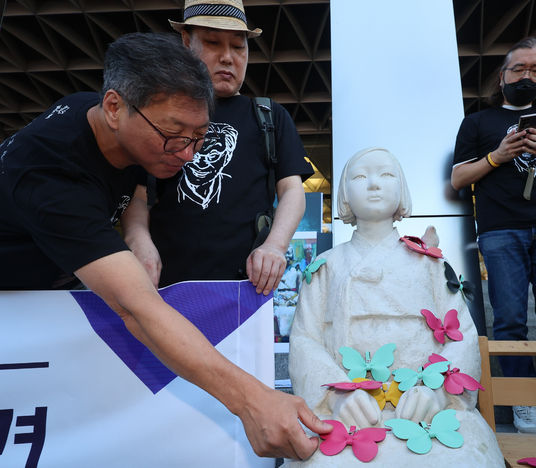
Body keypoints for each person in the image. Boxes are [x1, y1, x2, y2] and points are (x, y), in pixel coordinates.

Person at [0, 32, 329, 460]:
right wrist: (254, 402)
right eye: (174, 136)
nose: (190, 155)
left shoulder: (106, 119)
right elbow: (137, 309)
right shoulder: (51, 176)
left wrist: (137, 236)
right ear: (115, 107)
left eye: (200, 136)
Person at [287, 147, 504, 466]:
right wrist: (337, 396)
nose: (374, 184)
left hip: (429, 414)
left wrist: (437, 393)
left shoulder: (431, 265)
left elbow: (463, 336)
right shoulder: (325, 266)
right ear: (344, 193)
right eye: (360, 176)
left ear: (402, 188)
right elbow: (306, 340)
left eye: (386, 175)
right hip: (349, 416)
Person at [122, 0, 314, 295]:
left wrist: (275, 246)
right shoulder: (157, 112)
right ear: (187, 42)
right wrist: (139, 242)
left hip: (246, 290)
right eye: (212, 43)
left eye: (239, 47)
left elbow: (292, 191)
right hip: (164, 286)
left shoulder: (269, 116)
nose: (227, 57)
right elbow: (137, 195)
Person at [451, 37, 536, 434]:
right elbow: (459, 177)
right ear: (502, 75)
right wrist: (496, 156)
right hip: (499, 229)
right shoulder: (477, 122)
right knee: (508, 319)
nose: (527, 76)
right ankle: (523, 400)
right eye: (519, 69)